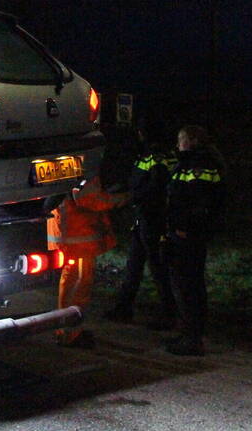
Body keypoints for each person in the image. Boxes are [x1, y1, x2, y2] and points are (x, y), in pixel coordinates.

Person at [104, 120, 178, 328]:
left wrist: (130, 196)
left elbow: (156, 187)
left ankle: (169, 315)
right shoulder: (162, 154)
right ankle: (123, 308)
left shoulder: (155, 156)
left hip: (153, 218)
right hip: (144, 217)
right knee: (134, 265)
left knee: (158, 267)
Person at [163, 125, 225, 356]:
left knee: (188, 285)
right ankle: (188, 332)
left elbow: (200, 203)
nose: (178, 144)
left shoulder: (200, 165)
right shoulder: (190, 162)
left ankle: (193, 338)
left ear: (192, 141)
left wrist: (184, 229)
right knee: (186, 284)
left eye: (181, 139)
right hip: (183, 233)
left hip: (188, 236)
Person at [47, 174, 129, 347]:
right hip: (78, 235)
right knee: (79, 285)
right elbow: (88, 198)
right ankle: (71, 333)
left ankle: (66, 330)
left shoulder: (67, 160)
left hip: (71, 233)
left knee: (72, 282)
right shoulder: (84, 165)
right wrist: (120, 198)